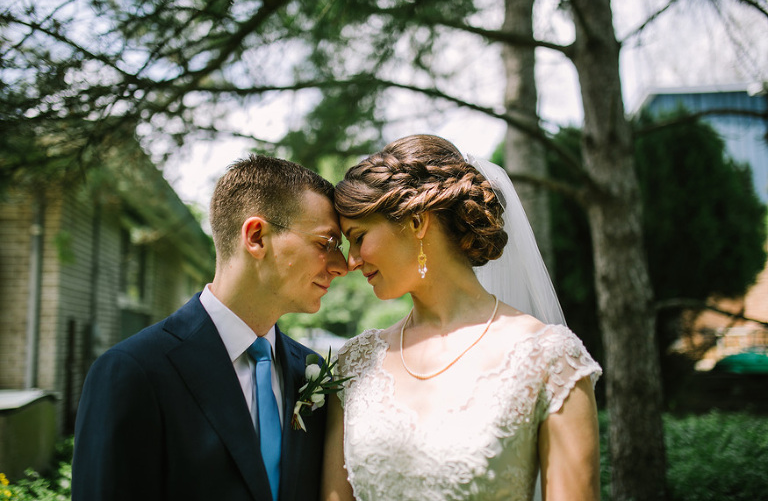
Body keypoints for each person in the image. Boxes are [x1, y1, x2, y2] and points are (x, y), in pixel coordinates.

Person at [322, 134, 602, 501]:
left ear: (417, 222)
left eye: (359, 237)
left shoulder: (550, 360)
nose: (352, 260)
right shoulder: (353, 365)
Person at [72, 154, 348, 501]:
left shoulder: (312, 372)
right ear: (257, 237)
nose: (342, 265)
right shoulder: (132, 372)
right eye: (326, 244)